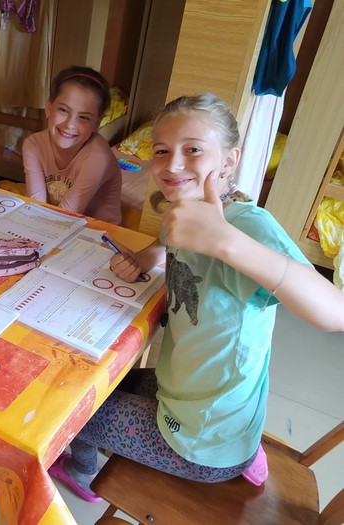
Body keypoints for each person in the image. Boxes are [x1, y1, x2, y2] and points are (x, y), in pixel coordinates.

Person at [48, 93, 344, 502]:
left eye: (193, 150)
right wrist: (144, 257)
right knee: (98, 383)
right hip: (196, 397)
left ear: (228, 160)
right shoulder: (186, 210)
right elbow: (166, 242)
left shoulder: (248, 226)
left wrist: (226, 242)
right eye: (161, 151)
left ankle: (81, 472)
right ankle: (244, 449)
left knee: (70, 413)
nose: (172, 165)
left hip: (201, 441)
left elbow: (335, 312)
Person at [23, 65, 123, 224]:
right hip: (55, 224)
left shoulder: (98, 157)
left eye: (84, 117)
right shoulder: (33, 145)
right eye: (63, 110)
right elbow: (37, 207)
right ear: (48, 107)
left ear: (96, 123)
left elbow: (65, 216)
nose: (70, 124)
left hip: (98, 232)